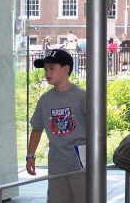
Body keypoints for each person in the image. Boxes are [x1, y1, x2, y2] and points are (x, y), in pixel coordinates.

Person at [27, 49, 87, 203]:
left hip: (82, 166)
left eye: (52, 68)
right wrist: (30, 155)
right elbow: (37, 128)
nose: (47, 73)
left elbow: (97, 129)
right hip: (57, 165)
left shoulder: (82, 96)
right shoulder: (45, 100)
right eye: (46, 69)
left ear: (66, 69)